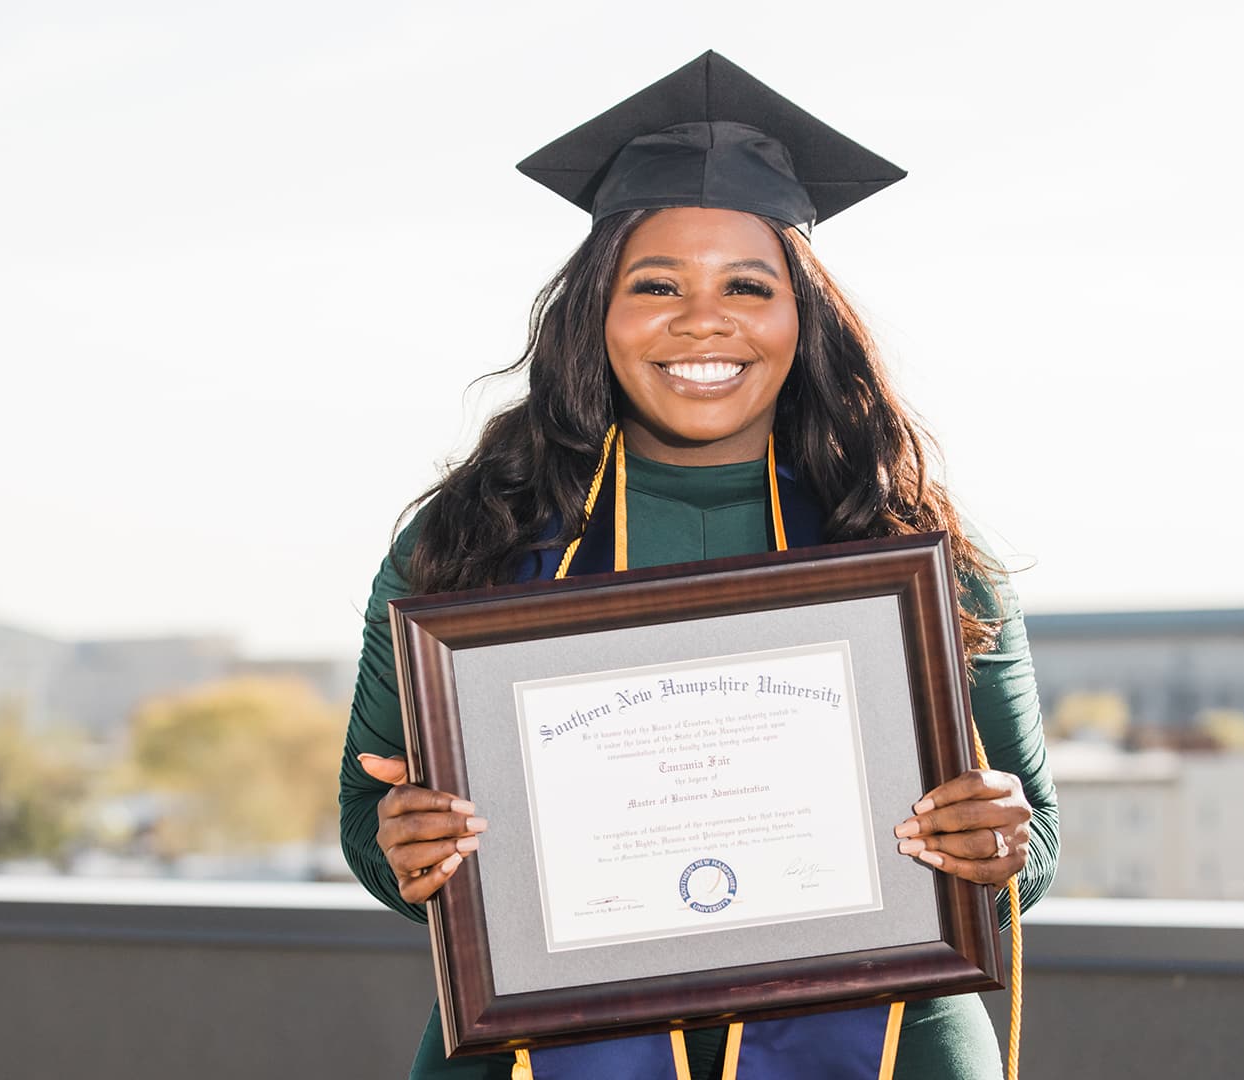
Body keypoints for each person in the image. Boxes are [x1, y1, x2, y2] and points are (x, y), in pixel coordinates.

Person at [339, 51, 1058, 1080]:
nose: (702, 319)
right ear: (598, 310)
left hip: (890, 1052)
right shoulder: (466, 543)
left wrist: (994, 841)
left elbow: (1031, 853)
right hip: (535, 1052)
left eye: (748, 284)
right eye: (658, 283)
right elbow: (367, 822)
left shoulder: (918, 547)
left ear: (801, 314)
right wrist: (403, 845)